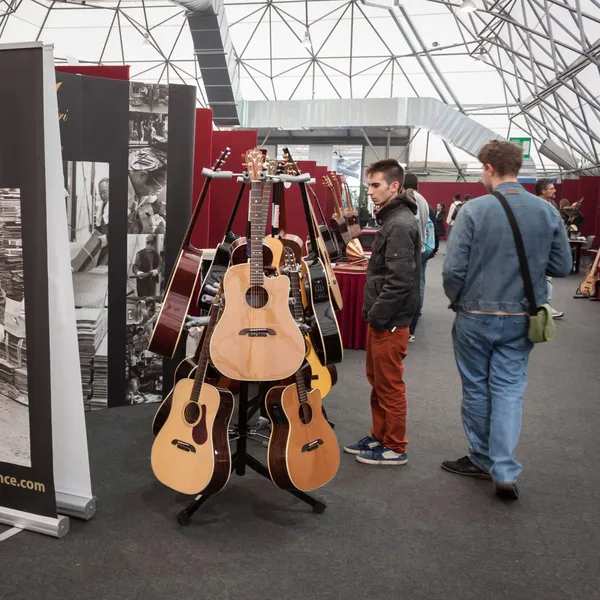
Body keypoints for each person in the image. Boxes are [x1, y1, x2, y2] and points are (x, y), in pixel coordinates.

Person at [441, 140, 571, 500]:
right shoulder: (546, 212)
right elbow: (562, 267)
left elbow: (454, 269)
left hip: (474, 315)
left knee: (476, 387)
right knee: (510, 388)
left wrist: (457, 300)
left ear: (487, 168)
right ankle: (505, 469)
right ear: (518, 168)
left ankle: (481, 458)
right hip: (521, 317)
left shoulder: (473, 210)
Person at [344, 159, 420, 466]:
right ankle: (379, 436)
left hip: (390, 321)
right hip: (383, 319)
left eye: (376, 185)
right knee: (378, 381)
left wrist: (377, 315)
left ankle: (396, 446)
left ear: (395, 186)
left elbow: (399, 281)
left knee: (389, 385)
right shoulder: (392, 219)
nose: (371, 192)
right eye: (369, 186)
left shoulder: (400, 224)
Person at [404, 172, 432, 342]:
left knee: (408, 289)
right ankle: (413, 324)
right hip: (420, 249)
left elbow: (409, 225)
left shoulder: (409, 199)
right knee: (418, 286)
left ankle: (408, 328)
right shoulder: (423, 200)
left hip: (411, 251)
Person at [536, 178, 564, 319]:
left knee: (546, 278)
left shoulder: (552, 205)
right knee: (546, 278)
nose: (554, 190)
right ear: (543, 190)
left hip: (547, 247)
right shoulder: (536, 206)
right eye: (551, 188)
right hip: (539, 247)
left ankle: (543, 306)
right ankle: (545, 307)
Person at [95, 178, 109, 266]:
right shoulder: (103, 205)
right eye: (100, 193)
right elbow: (100, 224)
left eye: (104, 192)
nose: (102, 195)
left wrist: (107, 238)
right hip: (104, 245)